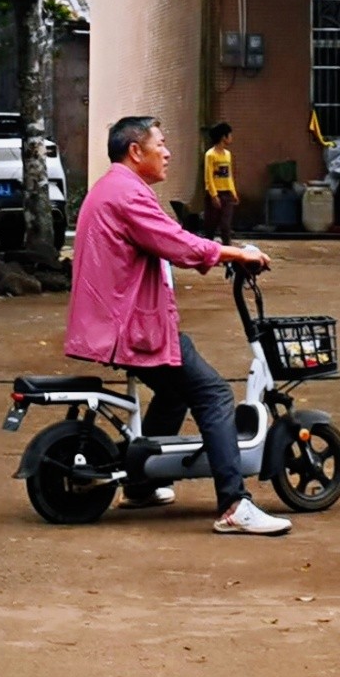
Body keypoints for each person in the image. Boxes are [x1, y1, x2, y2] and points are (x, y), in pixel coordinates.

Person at [65, 114, 293, 535]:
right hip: (130, 326)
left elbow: (167, 240)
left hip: (119, 322)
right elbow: (176, 242)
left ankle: (141, 484)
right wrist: (235, 253)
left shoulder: (113, 187)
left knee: (174, 393)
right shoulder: (127, 194)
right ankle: (233, 504)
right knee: (213, 393)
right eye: (161, 144)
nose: (167, 152)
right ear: (136, 151)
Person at [198, 123, 243, 238]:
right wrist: (214, 195)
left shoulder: (228, 154)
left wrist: (233, 192)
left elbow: (229, 175)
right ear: (224, 137)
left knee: (225, 225)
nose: (231, 138)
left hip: (227, 193)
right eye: (230, 135)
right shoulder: (210, 155)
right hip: (215, 193)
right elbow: (208, 176)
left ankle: (227, 250)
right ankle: (208, 250)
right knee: (210, 225)